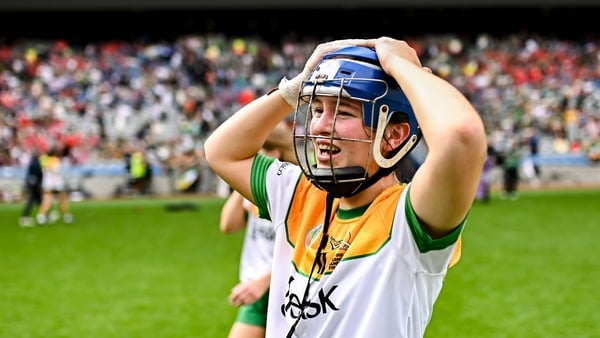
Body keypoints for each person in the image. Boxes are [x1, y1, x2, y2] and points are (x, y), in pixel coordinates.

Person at [205, 37, 487, 337]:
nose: (319, 126)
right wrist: (296, 86)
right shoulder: (298, 193)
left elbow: (462, 136)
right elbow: (221, 151)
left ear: (395, 135)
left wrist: (400, 65)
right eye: (316, 109)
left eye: (343, 112)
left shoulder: (407, 219)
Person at [219, 123, 297, 338]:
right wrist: (241, 181)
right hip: (255, 291)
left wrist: (262, 283)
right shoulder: (255, 194)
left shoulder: (294, 193)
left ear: (274, 154)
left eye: (253, 154)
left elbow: (301, 251)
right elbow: (228, 225)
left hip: (287, 290)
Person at [36, 144, 74, 224]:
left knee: (47, 200)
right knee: (62, 200)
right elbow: (55, 172)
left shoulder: (45, 159)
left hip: (47, 183)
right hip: (56, 183)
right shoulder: (55, 160)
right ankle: (67, 216)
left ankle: (41, 216)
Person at [19, 150, 43, 227]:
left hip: (32, 183)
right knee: (33, 199)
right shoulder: (36, 163)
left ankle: (44, 214)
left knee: (38, 200)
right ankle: (26, 217)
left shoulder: (32, 162)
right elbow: (39, 174)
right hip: (34, 184)